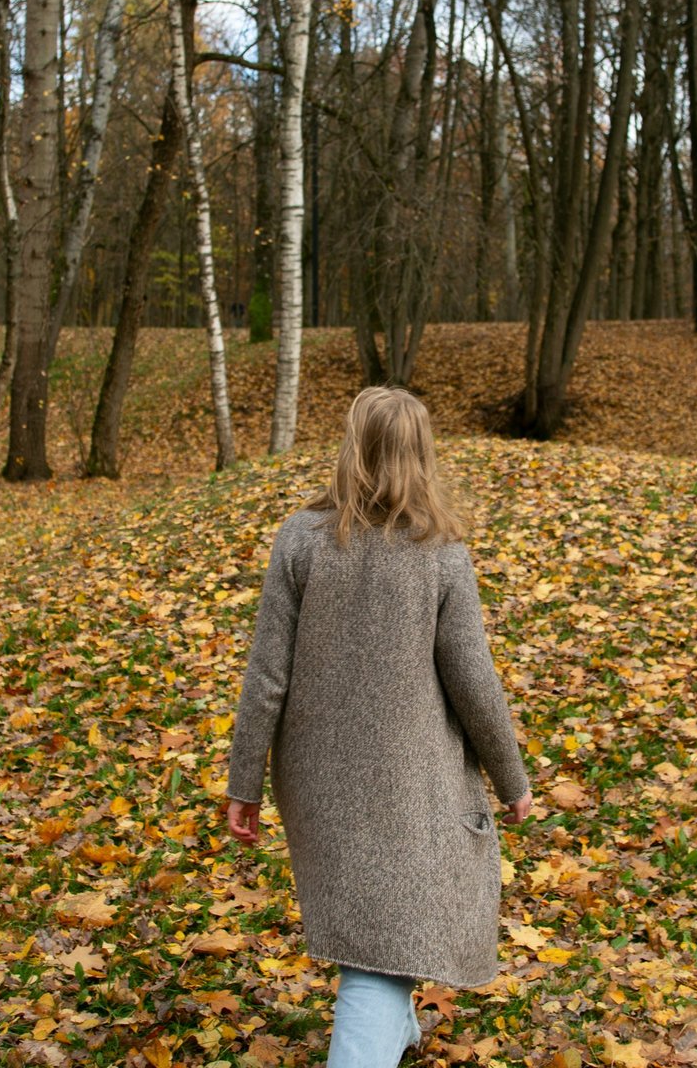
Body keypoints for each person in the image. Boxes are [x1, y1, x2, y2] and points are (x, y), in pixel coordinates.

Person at [224, 386, 534, 1067]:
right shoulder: (440, 552)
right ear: (422, 454)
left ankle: (395, 1029)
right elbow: (474, 680)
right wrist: (513, 781)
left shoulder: (301, 539)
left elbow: (266, 674)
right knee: (382, 935)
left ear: (352, 448)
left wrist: (244, 783)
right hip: (407, 781)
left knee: (381, 917)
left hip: (318, 781)